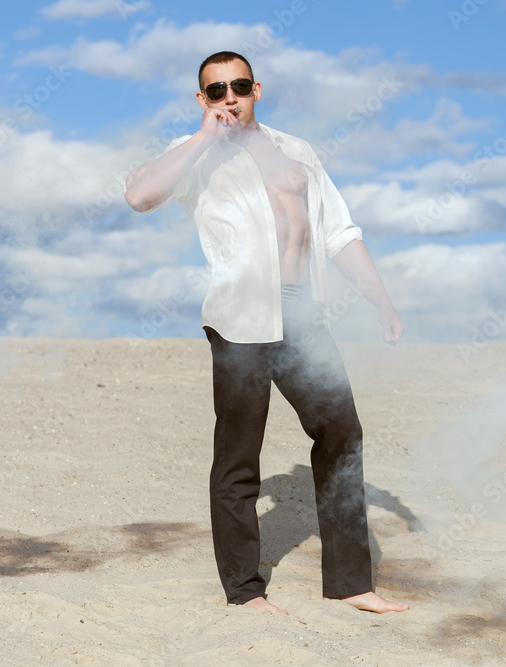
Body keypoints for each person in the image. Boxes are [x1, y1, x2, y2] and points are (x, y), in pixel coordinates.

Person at [124, 51, 408, 615]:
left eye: (239, 86)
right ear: (202, 99)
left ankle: (352, 583)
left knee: (342, 434)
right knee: (238, 457)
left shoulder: (297, 152)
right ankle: (245, 591)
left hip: (305, 316)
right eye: (215, 90)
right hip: (241, 319)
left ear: (258, 89)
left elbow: (338, 231)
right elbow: (139, 196)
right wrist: (204, 137)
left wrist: (380, 298)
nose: (230, 97)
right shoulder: (193, 154)